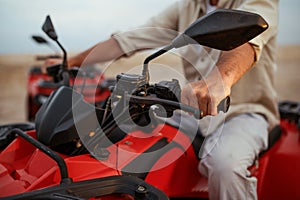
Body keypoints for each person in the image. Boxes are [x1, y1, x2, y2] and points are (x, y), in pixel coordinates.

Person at [45, 0, 279, 199]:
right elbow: (130, 39)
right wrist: (72, 61)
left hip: (243, 112)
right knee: (130, 137)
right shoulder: (188, 6)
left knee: (225, 165)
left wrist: (219, 80)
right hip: (190, 111)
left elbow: (248, 41)